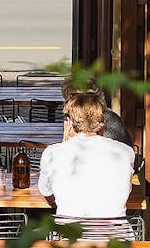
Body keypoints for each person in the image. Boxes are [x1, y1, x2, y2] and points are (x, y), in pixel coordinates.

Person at [37, 92, 134, 222]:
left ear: (69, 123)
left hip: (70, 237)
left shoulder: (52, 153)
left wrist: (64, 145)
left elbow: (46, 193)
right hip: (116, 238)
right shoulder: (126, 151)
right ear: (102, 122)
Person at [60, 77, 134, 147]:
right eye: (67, 99)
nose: (68, 104)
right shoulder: (72, 118)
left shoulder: (106, 118)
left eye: (74, 98)